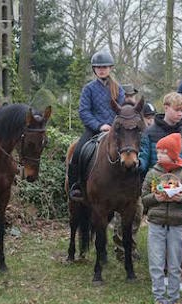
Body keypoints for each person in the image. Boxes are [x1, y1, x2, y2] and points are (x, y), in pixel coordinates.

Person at [141, 133, 182, 304]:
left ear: (173, 154)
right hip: (156, 223)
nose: (159, 155)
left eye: (164, 152)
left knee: (174, 264)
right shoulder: (152, 173)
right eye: (158, 151)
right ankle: (159, 300)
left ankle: (174, 300)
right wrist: (155, 198)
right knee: (156, 264)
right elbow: (144, 198)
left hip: (177, 224)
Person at [67, 50, 125, 201]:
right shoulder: (89, 89)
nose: (101, 69)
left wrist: (113, 127)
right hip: (93, 130)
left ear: (110, 68)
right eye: (98, 67)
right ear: (94, 69)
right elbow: (84, 111)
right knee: (77, 153)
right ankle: (76, 187)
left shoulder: (119, 89)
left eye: (104, 67)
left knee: (130, 152)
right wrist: (99, 126)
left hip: (115, 131)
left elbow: (123, 111)